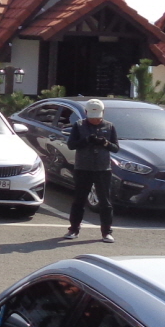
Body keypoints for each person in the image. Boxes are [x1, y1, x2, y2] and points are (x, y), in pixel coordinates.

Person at [64, 99, 119, 243]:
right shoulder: (79, 125)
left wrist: (105, 143)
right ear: (86, 113)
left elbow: (115, 148)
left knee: (105, 202)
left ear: (103, 113)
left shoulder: (109, 126)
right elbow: (71, 145)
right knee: (79, 200)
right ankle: (73, 229)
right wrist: (86, 140)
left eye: (98, 117)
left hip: (103, 169)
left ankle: (106, 232)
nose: (95, 120)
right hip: (83, 168)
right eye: (92, 117)